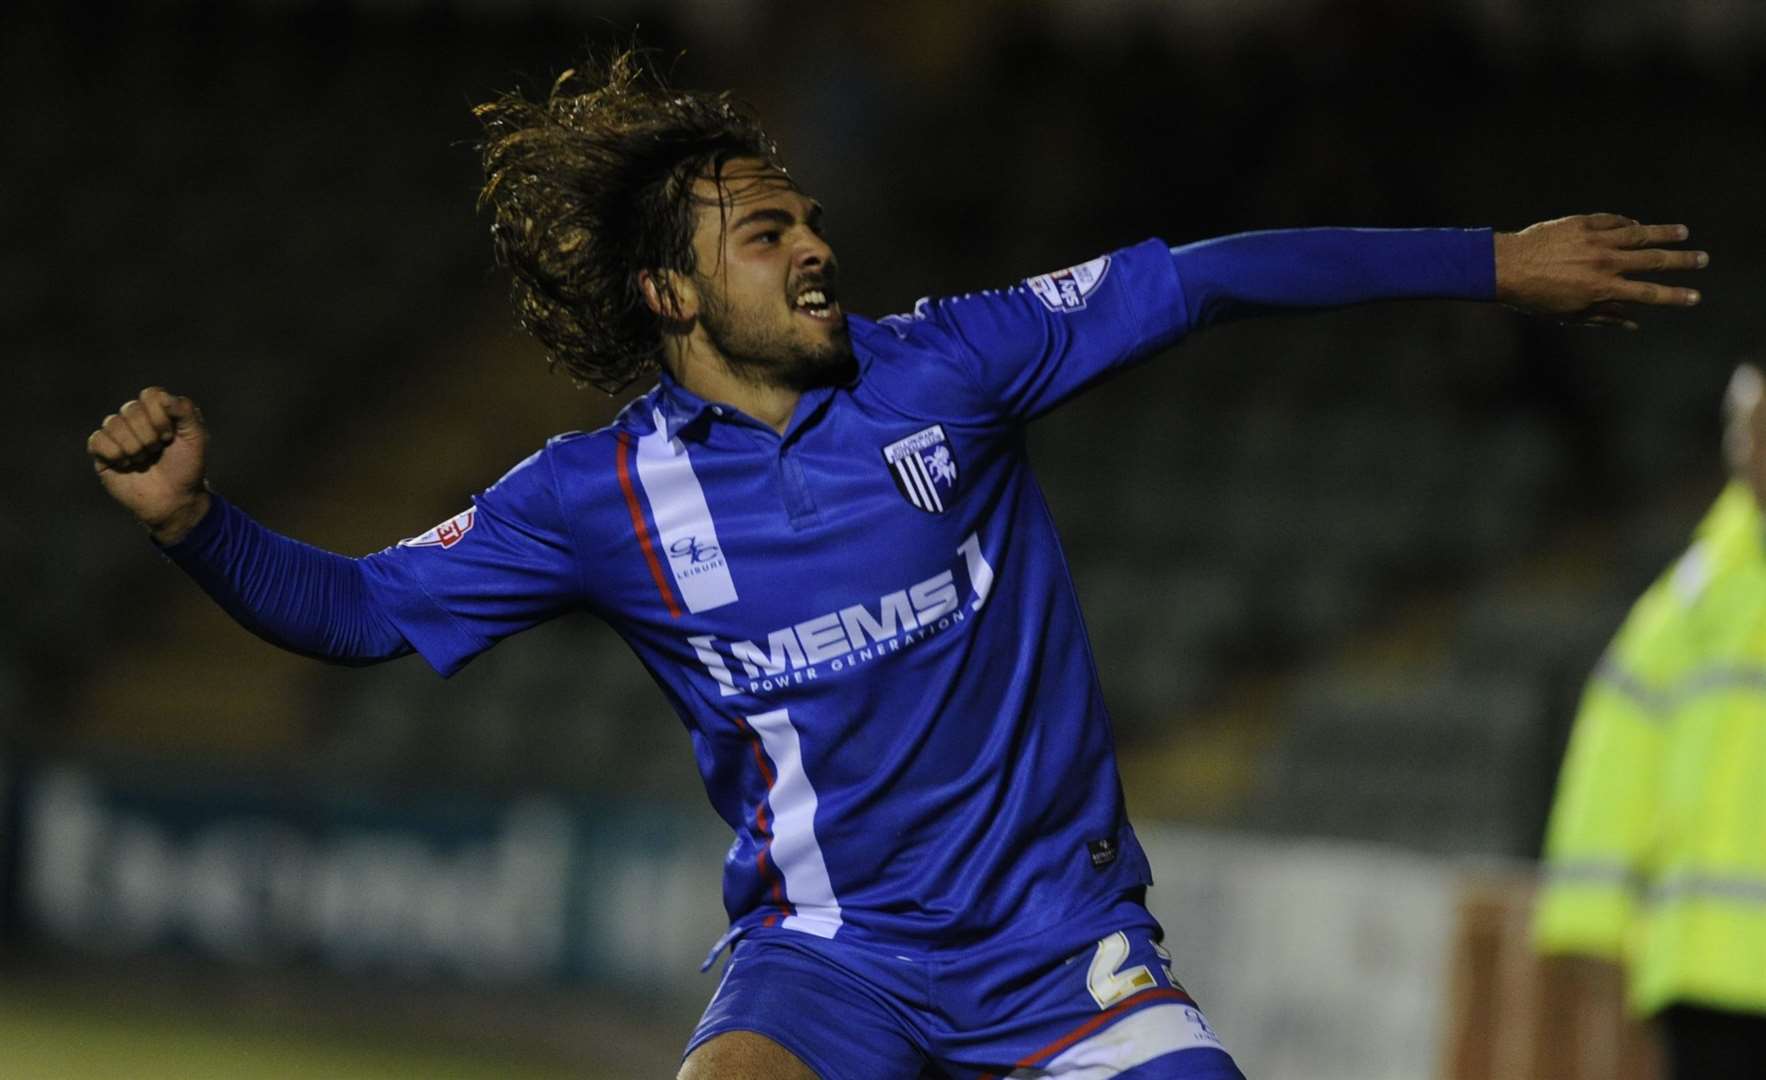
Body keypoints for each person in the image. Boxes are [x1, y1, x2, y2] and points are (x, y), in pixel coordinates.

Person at [87, 52, 1707, 1080]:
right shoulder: (595, 500)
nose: (814, 249)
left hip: (1056, 948)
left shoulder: (952, 364)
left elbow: (1199, 280)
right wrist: (195, 528)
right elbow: (367, 610)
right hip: (827, 964)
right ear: (669, 296)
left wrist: (1487, 262)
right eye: (764, 234)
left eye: (807, 221)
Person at [1535, 364, 1766, 1080]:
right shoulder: (1689, 603)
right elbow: (1616, 757)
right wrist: (1587, 926)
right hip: (1700, 977)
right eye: (1745, 430)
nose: (1750, 449)